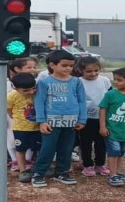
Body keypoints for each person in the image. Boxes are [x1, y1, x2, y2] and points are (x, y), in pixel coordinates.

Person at [31, 50, 86, 188]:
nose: (68, 68)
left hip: (71, 122)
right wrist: (42, 121)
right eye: (64, 65)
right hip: (51, 122)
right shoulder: (44, 82)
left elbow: (82, 101)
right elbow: (39, 102)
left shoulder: (77, 82)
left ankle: (62, 172)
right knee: (48, 149)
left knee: (66, 149)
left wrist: (82, 119)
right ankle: (38, 173)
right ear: (53, 65)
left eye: (71, 66)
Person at [76, 56, 112, 177]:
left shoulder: (104, 80)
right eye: (89, 71)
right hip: (85, 119)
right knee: (85, 143)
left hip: (102, 118)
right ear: (81, 70)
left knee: (101, 143)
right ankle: (87, 165)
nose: (93, 73)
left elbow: (110, 96)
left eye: (96, 70)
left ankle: (100, 164)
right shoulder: (78, 82)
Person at [7, 73, 41, 183]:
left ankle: (40, 168)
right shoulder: (11, 96)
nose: (31, 92)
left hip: (38, 127)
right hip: (20, 128)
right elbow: (9, 110)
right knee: (20, 149)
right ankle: (23, 171)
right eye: (26, 91)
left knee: (40, 148)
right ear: (16, 88)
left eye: (33, 89)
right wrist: (16, 119)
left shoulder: (38, 93)